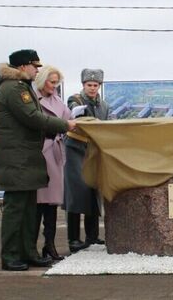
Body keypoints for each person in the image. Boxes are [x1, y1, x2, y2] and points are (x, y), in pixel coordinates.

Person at [0, 49, 77, 271]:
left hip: (25, 158)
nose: (37, 70)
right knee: (16, 210)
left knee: (29, 211)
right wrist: (64, 125)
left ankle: (27, 252)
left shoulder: (20, 87)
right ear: (22, 67)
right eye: (34, 66)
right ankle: (11, 255)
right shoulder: (13, 88)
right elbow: (32, 117)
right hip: (17, 158)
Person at [64, 68, 109, 253]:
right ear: (83, 85)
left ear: (99, 86)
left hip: (93, 150)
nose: (92, 88)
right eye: (89, 85)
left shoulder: (104, 105)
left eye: (95, 85)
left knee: (92, 191)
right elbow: (79, 119)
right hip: (75, 149)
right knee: (76, 193)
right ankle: (74, 238)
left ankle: (92, 236)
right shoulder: (76, 100)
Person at [33, 65, 71, 261]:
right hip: (40, 152)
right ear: (42, 81)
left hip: (54, 153)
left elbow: (69, 119)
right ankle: (32, 248)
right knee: (38, 204)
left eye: (57, 82)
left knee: (52, 204)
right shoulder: (32, 99)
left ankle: (50, 245)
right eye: (52, 81)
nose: (54, 85)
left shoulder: (57, 100)